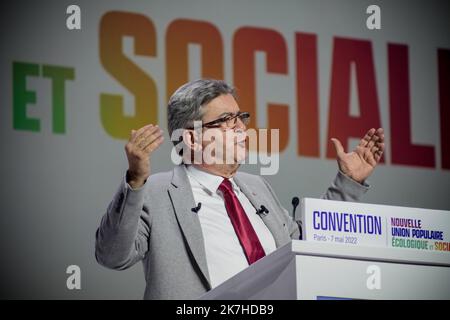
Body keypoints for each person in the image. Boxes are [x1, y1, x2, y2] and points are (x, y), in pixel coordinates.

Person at [95, 79, 385, 299]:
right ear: (193, 140)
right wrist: (135, 180)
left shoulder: (256, 187)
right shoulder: (157, 191)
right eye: (226, 121)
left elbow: (302, 248)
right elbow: (112, 255)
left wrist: (348, 183)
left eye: (240, 118)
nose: (241, 130)